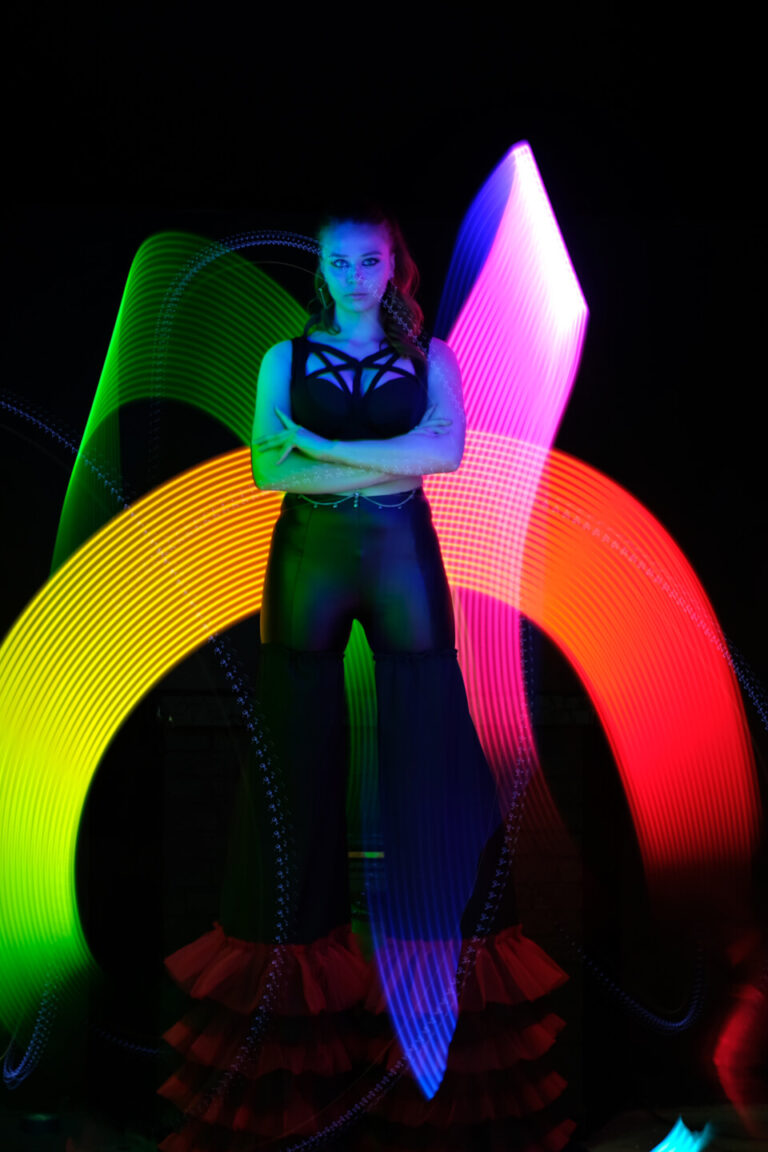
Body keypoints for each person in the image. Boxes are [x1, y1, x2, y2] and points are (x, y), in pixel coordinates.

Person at [157, 209, 576, 1151]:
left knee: (433, 755)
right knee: (294, 758)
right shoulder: (283, 359)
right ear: (324, 269)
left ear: (395, 267)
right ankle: (285, 997)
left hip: (402, 559)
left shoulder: (436, 360)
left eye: (370, 258)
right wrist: (375, 461)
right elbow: (270, 470)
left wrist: (326, 456)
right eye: (339, 260)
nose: (354, 273)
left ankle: (441, 981)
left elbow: (448, 455)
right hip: (307, 563)